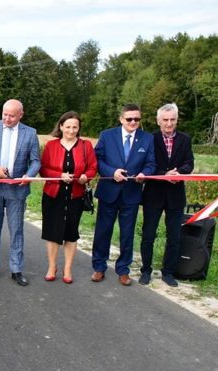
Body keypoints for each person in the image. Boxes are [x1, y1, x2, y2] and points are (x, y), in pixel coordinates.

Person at [0, 99, 41, 286]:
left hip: (16, 189)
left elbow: (35, 161)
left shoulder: (30, 133)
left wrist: (28, 175)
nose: (7, 118)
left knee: (16, 230)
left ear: (21, 114)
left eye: (12, 115)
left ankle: (16, 269)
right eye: (5, 114)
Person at [91, 104, 155, 286]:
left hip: (132, 194)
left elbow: (151, 163)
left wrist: (145, 174)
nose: (133, 122)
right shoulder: (107, 135)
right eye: (129, 119)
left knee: (127, 234)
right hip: (108, 191)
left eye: (137, 119)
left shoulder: (147, 139)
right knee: (103, 231)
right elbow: (98, 160)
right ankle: (99, 267)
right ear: (121, 119)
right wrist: (112, 172)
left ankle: (123, 270)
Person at [140, 103, 194, 287]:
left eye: (172, 119)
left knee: (175, 236)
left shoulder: (185, 139)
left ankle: (168, 272)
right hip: (154, 194)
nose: (169, 124)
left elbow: (189, 163)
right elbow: (148, 163)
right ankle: (145, 270)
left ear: (177, 119)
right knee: (148, 234)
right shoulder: (150, 139)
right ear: (158, 121)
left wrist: (180, 173)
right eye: (165, 120)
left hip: (176, 195)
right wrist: (165, 175)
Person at [39, 112, 97, 284]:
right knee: (52, 232)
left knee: (71, 233)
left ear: (79, 129)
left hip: (75, 195)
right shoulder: (51, 146)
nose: (71, 130)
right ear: (61, 126)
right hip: (53, 194)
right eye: (68, 126)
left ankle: (68, 269)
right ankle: (51, 266)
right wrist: (59, 175)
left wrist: (87, 176)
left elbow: (93, 167)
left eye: (75, 127)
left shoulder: (86, 146)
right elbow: (43, 169)